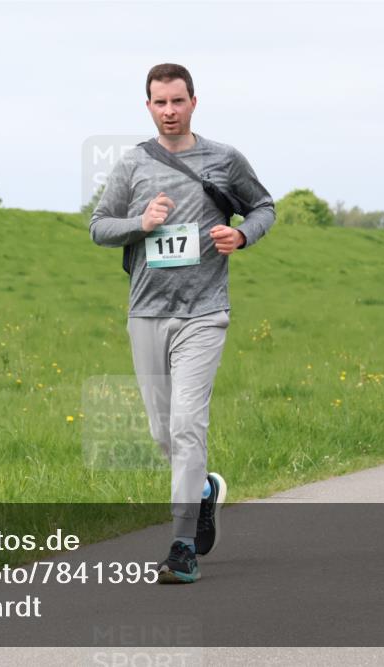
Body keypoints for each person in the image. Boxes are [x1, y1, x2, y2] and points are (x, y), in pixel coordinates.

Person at [89, 64, 275, 583]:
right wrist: (141, 222)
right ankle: (205, 490)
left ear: (194, 102)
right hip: (147, 312)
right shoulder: (133, 164)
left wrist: (243, 236)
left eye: (177, 101)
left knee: (187, 425)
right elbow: (99, 227)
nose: (169, 111)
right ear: (148, 106)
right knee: (162, 432)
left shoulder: (224, 158)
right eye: (160, 102)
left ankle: (181, 545)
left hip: (204, 312)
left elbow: (263, 207)